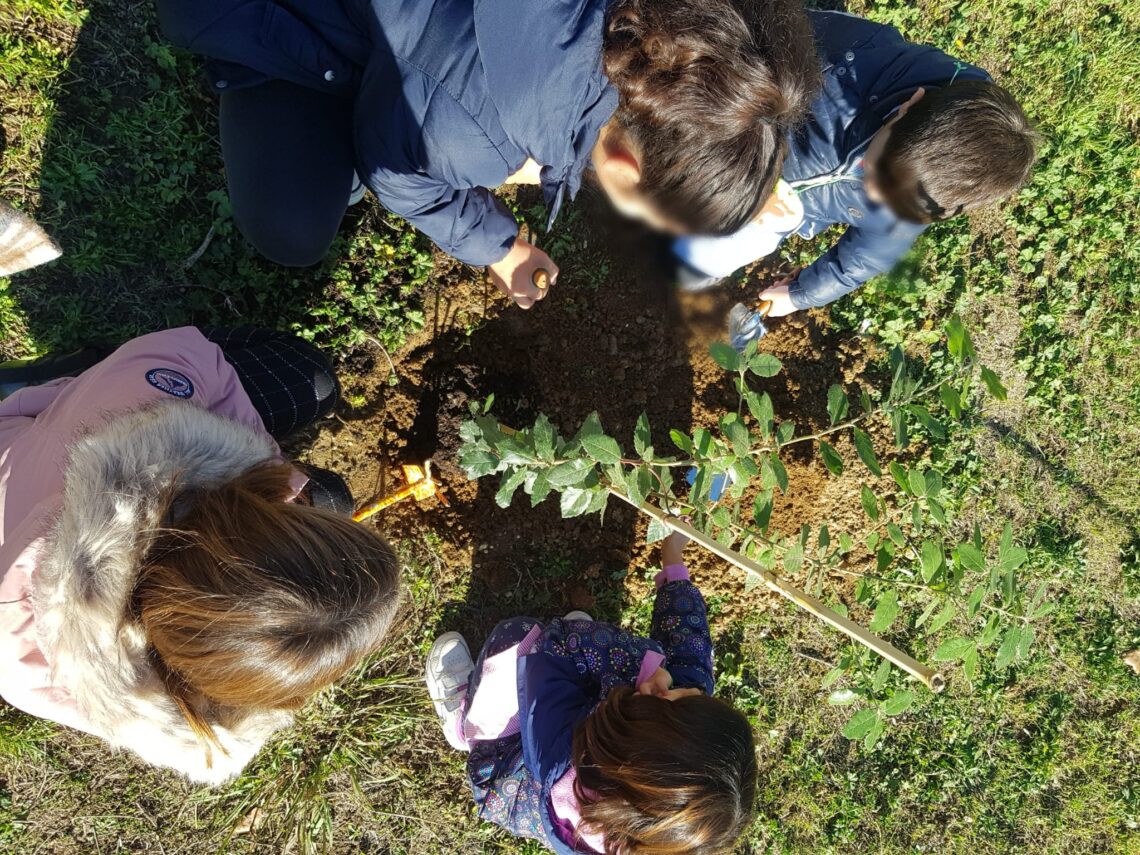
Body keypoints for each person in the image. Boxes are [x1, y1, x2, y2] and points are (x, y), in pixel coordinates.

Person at [155, 0, 820, 308]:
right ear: (622, 171)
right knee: (296, 225)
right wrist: (501, 246)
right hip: (273, 13)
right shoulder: (475, 136)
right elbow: (397, 170)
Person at [0, 326, 401, 784]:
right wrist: (260, 470)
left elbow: (185, 351)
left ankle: (36, 382)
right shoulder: (60, 679)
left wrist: (254, 461)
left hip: (32, 447)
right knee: (331, 491)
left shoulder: (133, 412)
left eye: (291, 519)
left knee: (310, 385)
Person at [672, 10, 1038, 316]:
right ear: (908, 105)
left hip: (777, 207)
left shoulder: (920, 196)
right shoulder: (843, 60)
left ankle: (689, 268)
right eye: (875, 167)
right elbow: (745, 49)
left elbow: (863, 259)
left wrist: (800, 295)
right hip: (734, 143)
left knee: (716, 250)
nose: (870, 188)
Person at [426, 532, 757, 853]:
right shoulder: (653, 813)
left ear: (635, 737)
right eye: (697, 696)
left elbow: (552, 648)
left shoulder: (561, 757)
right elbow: (689, 651)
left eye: (677, 698)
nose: (687, 689)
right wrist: (673, 561)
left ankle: (466, 723)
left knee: (518, 637)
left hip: (513, 767)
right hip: (582, 719)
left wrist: (621, 651)